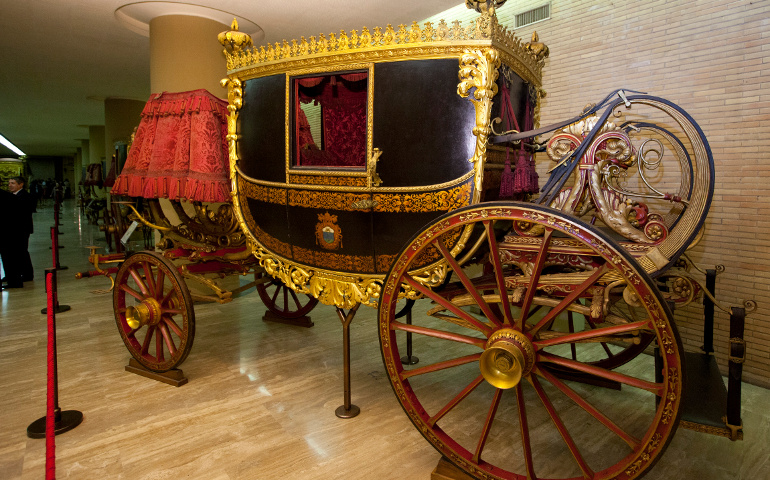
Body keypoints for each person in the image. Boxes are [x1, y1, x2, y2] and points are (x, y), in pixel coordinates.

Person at [0, 176, 35, 288]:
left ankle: (26, 274)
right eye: (9, 183)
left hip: (21, 229)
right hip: (14, 229)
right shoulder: (11, 196)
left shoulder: (24, 196)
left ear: (21, 184)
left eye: (13, 183)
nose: (10, 185)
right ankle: (17, 274)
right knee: (18, 252)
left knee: (22, 251)